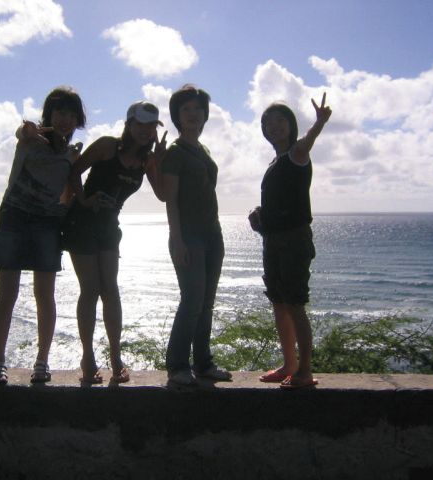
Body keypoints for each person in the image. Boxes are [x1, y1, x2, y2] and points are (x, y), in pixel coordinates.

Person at [0, 86, 86, 385]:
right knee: (6, 295)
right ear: (49, 114)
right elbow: (22, 131)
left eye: (71, 115)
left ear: (78, 119)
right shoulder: (31, 139)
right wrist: (25, 129)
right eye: (60, 112)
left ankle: (42, 362)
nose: (66, 119)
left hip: (47, 224)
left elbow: (66, 195)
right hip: (13, 219)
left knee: (45, 295)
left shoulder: (71, 153)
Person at [62, 101, 167, 384]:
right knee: (90, 290)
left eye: (151, 126)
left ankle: (116, 357)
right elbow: (73, 171)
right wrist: (84, 200)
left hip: (109, 225)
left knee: (111, 290)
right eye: (140, 124)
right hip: (82, 222)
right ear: (129, 124)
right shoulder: (108, 146)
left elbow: (163, 194)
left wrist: (161, 160)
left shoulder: (147, 160)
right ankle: (87, 358)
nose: (145, 131)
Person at [249, 93, 332, 389]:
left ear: (291, 124)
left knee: (295, 305)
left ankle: (304, 372)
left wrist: (319, 123)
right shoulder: (275, 162)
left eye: (280, 120)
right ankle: (289, 364)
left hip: (294, 240)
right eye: (268, 123)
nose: (274, 126)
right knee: (279, 304)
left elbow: (308, 141)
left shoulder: (297, 153)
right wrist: (260, 214)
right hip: (273, 240)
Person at [161, 84, 232, 386]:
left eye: (198, 109)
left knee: (206, 303)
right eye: (186, 109)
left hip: (212, 234)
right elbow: (171, 201)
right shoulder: (175, 152)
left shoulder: (203, 150)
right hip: (188, 236)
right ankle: (177, 365)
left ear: (205, 114)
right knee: (192, 301)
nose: (192, 114)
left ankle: (203, 363)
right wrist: (177, 241)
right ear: (177, 115)